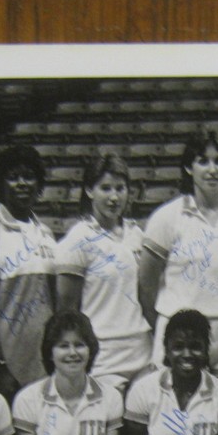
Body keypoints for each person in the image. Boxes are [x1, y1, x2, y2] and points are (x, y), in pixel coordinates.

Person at [139, 128, 218, 388]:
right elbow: (145, 285)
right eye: (202, 160)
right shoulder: (167, 217)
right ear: (188, 168)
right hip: (183, 337)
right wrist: (167, 324)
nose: (212, 169)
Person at [0, 144, 59, 401]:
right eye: (13, 177)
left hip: (42, 370)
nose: (22, 183)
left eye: (29, 176)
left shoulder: (46, 234)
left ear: (39, 185)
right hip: (4, 373)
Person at [56, 152, 151, 393]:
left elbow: (147, 297)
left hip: (142, 351)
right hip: (103, 356)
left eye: (120, 188)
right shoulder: (78, 238)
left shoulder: (137, 235)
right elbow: (68, 309)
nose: (114, 197)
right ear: (90, 191)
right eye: (105, 188)